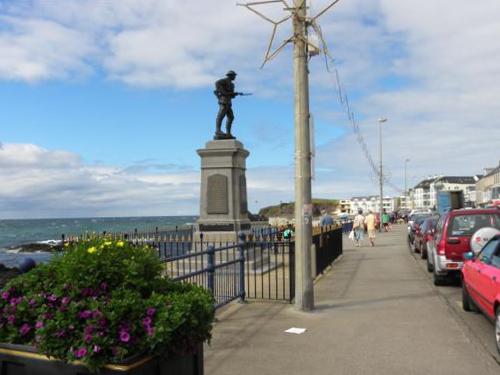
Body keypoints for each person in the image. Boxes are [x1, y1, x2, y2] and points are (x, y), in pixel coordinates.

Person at [214, 70, 238, 139]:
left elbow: (231, 95)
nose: (235, 77)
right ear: (230, 76)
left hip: (228, 102)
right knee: (221, 115)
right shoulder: (224, 81)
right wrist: (223, 92)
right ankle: (218, 131)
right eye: (234, 75)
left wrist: (234, 94)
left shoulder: (232, 85)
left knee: (231, 117)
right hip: (223, 101)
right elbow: (217, 83)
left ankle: (228, 133)